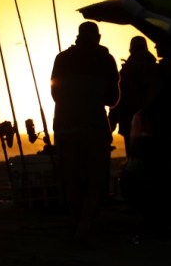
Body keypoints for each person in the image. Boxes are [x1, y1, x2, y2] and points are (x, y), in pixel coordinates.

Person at [50, 21, 120, 245]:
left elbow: (55, 94)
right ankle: (85, 226)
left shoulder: (62, 59)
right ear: (97, 38)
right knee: (95, 180)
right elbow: (113, 99)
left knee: (71, 178)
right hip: (94, 127)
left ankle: (76, 223)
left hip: (65, 126)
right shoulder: (106, 60)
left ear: (78, 37)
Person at [108, 36, 158, 146]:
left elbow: (117, 102)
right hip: (153, 126)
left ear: (130, 50)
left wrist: (110, 127)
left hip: (132, 125)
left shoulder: (126, 72)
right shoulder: (156, 70)